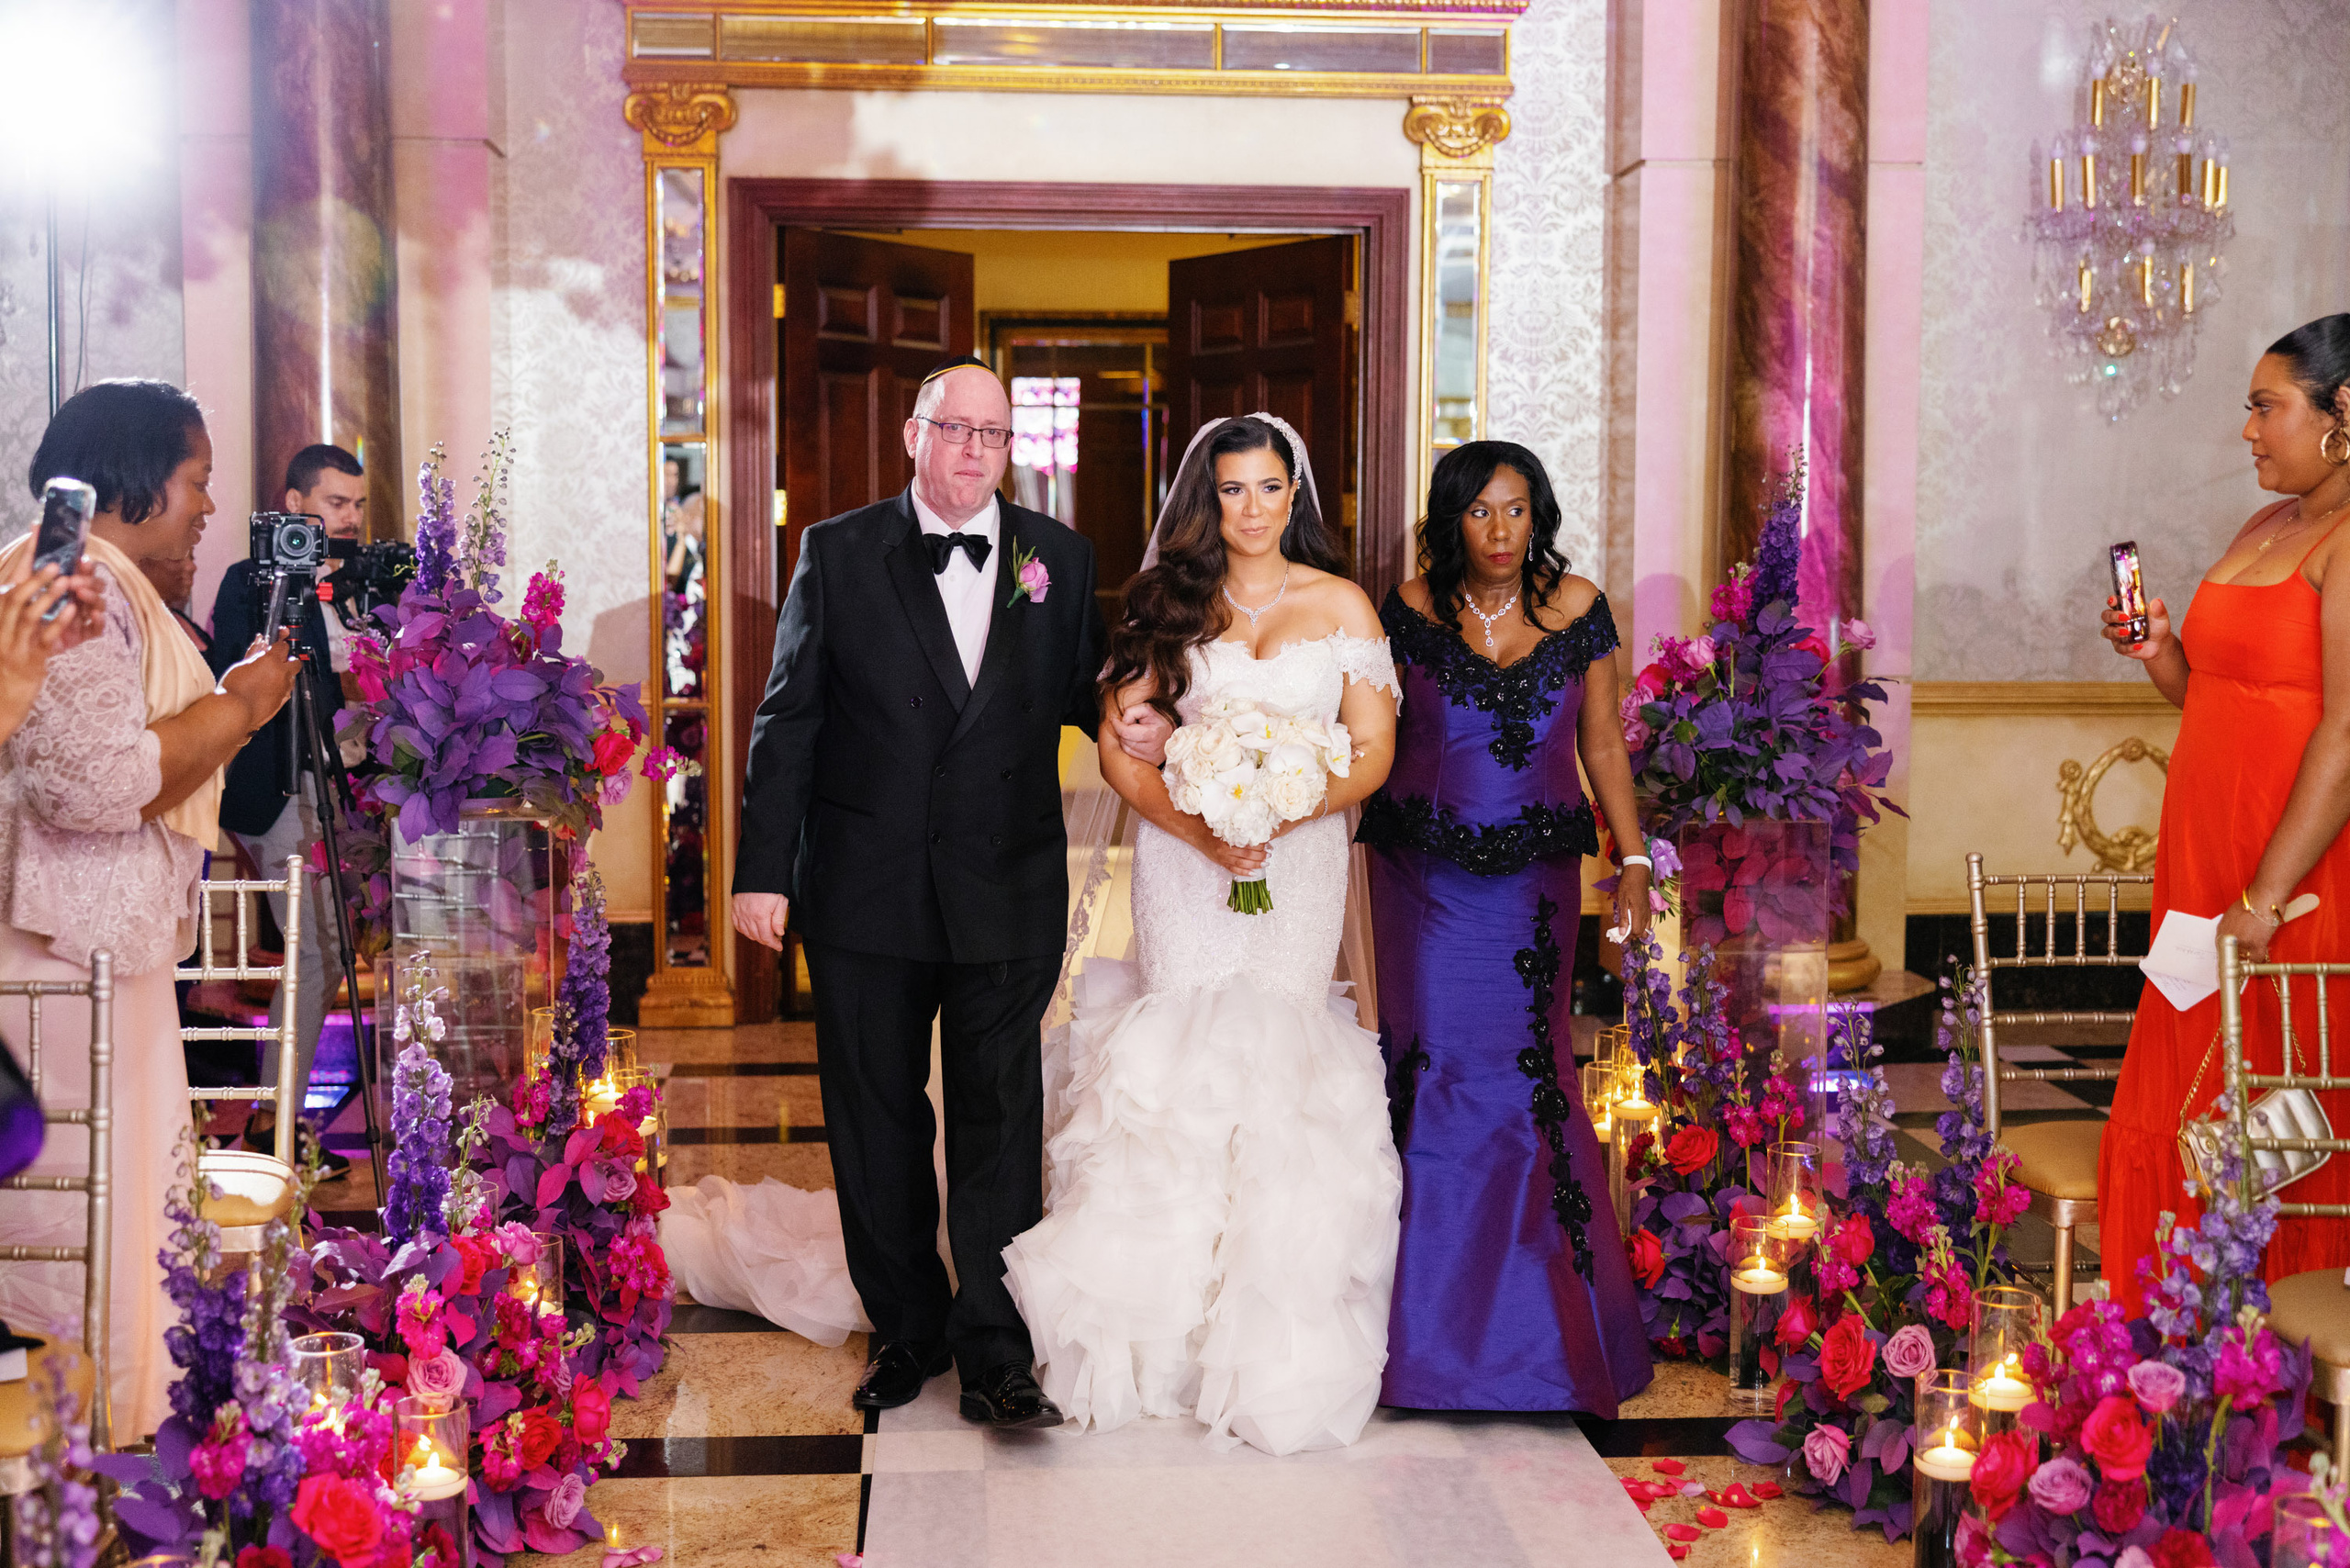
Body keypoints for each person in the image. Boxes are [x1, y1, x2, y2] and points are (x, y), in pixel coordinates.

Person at [730, 356, 1170, 1428]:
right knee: (875, 1114)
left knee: (997, 1116)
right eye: (955, 428)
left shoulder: (1059, 557)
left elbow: (1082, 694)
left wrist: (1142, 721)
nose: (974, 450)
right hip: (862, 887)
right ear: (913, 435)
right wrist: (760, 871)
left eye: (993, 433)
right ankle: (908, 1330)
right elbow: (789, 722)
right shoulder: (834, 552)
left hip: (1003, 883)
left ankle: (993, 1344)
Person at [999, 413, 1405, 1456]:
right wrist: (1202, 824)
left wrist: (1281, 811)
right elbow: (1119, 747)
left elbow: (1369, 754)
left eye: (1270, 488)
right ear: (1206, 499)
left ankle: (1271, 1342)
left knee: (1281, 1060)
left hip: (1299, 860)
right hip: (1188, 866)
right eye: (1233, 490)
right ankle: (1152, 1340)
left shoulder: (1342, 606)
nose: (1253, 509)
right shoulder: (1164, 605)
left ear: (1295, 496)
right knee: (1172, 1062)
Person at [0, 379, 298, 1439]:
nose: (209, 511)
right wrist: (241, 705)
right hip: (59, 963)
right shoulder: (70, 579)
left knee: (133, 1215)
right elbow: (89, 784)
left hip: (92, 949)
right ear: (131, 481)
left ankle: (125, 1434)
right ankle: (102, 1449)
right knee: (98, 1228)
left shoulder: (102, 581)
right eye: (195, 485)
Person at [1359, 441, 1656, 1414]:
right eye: (1481, 511)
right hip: (1423, 878)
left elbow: (1602, 740)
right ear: (1452, 519)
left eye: (1516, 509)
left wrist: (1637, 855)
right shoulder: (1406, 608)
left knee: (1530, 1075)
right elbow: (1368, 735)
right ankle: (1424, 1345)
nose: (1499, 530)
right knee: (1433, 1070)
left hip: (1533, 884)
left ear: (1539, 514)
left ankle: (1544, 1338)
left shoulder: (1577, 608)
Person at [2098, 314, 2350, 1311]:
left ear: (2342, 413)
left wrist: (2264, 892)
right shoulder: (2264, 526)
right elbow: (2214, 695)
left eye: (2264, 407)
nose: (2247, 431)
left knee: (2269, 1112)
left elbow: (2342, 735)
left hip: (2285, 878)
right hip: (2204, 868)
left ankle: (2262, 1375)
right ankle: (2163, 1346)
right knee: (2183, 1101)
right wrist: (2161, 648)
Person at [207, 443, 366, 1176]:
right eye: (336, 505)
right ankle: (271, 1128)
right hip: (274, 790)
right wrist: (297, 586)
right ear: (296, 505)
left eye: (358, 505)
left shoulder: (360, 583)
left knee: (326, 950)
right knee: (313, 948)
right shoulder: (251, 580)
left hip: (339, 787)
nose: (351, 518)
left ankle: (277, 1120)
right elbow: (237, 678)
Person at [138, 544, 210, 656]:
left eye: (191, 557)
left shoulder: (180, 618)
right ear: (145, 564)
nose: (192, 567)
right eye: (177, 558)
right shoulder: (136, 627)